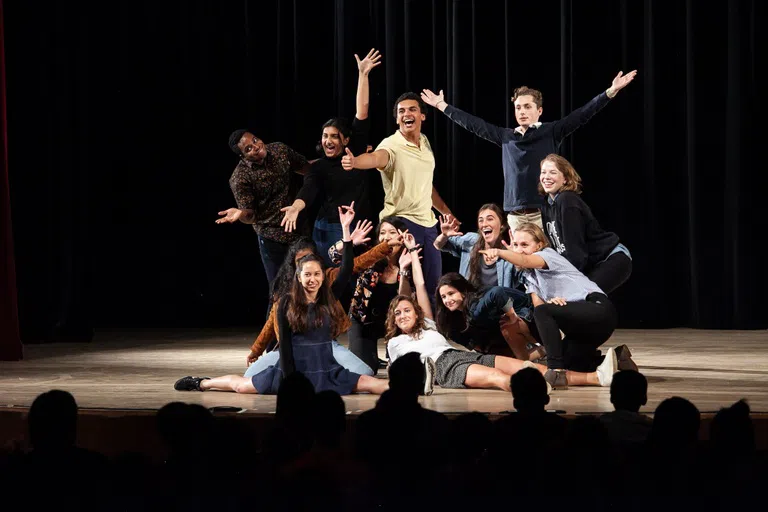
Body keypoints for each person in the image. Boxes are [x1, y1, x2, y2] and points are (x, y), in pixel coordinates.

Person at [174, 202, 388, 395]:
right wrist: (289, 380)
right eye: (307, 274)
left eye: (316, 274)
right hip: (293, 368)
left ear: (323, 276)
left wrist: (345, 231)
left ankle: (417, 384)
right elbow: (284, 345)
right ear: (298, 275)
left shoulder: (328, 296)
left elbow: (348, 268)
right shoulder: (287, 301)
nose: (312, 279)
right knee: (241, 385)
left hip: (326, 367)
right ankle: (202, 383)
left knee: (371, 383)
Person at [386, 231, 616, 391]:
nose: (403, 315)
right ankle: (532, 391)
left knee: (532, 368)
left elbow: (420, 286)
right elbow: (396, 375)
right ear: (392, 321)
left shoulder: (428, 324)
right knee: (499, 378)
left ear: (417, 313)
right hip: (443, 368)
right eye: (397, 314)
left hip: (466, 356)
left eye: (407, 310)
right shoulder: (395, 344)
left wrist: (412, 259)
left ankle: (596, 377)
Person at [420, 70, 637, 230]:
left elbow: (582, 114)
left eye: (527, 107)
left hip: (543, 212)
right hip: (515, 214)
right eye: (518, 108)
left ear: (539, 110)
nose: (522, 112)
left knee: (546, 264)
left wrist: (610, 91)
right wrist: (442, 106)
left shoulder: (551, 131)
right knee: (523, 270)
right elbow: (474, 124)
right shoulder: (506, 136)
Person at [479, 222, 636, 389]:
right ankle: (618, 358)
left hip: (598, 310)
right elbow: (540, 309)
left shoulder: (547, 255)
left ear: (539, 245)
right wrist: (548, 308)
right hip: (582, 330)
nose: (518, 249)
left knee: (544, 316)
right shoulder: (530, 277)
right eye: (516, 245)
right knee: (570, 362)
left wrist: (499, 252)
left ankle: (556, 372)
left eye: (525, 244)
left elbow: (524, 260)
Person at [245, 219, 402, 378]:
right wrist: (256, 350)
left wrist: (384, 246)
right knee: (250, 374)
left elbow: (353, 266)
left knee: (364, 372)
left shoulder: (326, 280)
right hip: (293, 348)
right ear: (294, 266)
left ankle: (321, 371)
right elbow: (272, 321)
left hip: (324, 345)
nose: (307, 264)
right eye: (301, 262)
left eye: (310, 259)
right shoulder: (286, 292)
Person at [341, 92, 455, 305]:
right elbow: (376, 158)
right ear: (396, 119)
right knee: (405, 284)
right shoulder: (391, 144)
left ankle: (429, 333)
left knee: (433, 285)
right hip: (402, 222)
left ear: (422, 116)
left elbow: (426, 185)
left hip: (428, 224)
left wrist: (446, 213)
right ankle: (401, 333)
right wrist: (355, 162)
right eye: (401, 111)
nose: (406, 114)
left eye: (412, 109)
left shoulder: (424, 141)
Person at [279, 49, 382, 263]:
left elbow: (361, 111)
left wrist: (363, 75)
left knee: (357, 276)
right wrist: (297, 207)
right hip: (329, 228)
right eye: (325, 136)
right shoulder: (319, 167)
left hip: (359, 223)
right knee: (332, 277)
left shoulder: (357, 151)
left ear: (346, 140)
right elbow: (308, 189)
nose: (328, 141)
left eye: (334, 136)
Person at [434, 204, 542, 359]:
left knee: (484, 311)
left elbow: (530, 279)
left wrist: (516, 257)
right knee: (448, 323)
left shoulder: (508, 252)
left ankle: (531, 348)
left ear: (502, 225)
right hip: (475, 308)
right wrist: (444, 235)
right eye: (481, 220)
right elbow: (439, 245)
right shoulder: (472, 241)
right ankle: (487, 350)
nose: (484, 223)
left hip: (500, 311)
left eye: (490, 219)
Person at [216, 130, 310, 285]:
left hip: (300, 230)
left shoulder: (279, 150)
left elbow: (306, 168)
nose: (256, 146)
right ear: (242, 156)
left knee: (309, 285)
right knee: (280, 291)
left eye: (255, 140)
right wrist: (241, 214)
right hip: (272, 238)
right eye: (248, 149)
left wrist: (333, 164)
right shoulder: (240, 178)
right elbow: (250, 215)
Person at [539, 153, 632, 294]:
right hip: (591, 264)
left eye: (553, 172)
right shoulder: (548, 206)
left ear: (565, 179)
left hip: (610, 258)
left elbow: (576, 252)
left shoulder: (567, 200)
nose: (546, 177)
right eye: (543, 172)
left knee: (583, 297)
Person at [329, 216, 411, 372]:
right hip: (362, 321)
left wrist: (404, 269)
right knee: (366, 368)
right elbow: (334, 255)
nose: (386, 237)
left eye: (392, 233)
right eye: (382, 233)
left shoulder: (409, 259)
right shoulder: (369, 254)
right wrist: (349, 242)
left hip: (394, 325)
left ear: (403, 235)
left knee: (401, 368)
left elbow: (405, 299)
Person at [434, 272, 537, 359]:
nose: (447, 300)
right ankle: (534, 354)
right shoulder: (453, 317)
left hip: (529, 312)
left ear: (463, 292)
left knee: (507, 327)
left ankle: (527, 362)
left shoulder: (476, 307)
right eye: (443, 297)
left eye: (451, 293)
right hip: (497, 331)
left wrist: (512, 317)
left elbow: (497, 292)